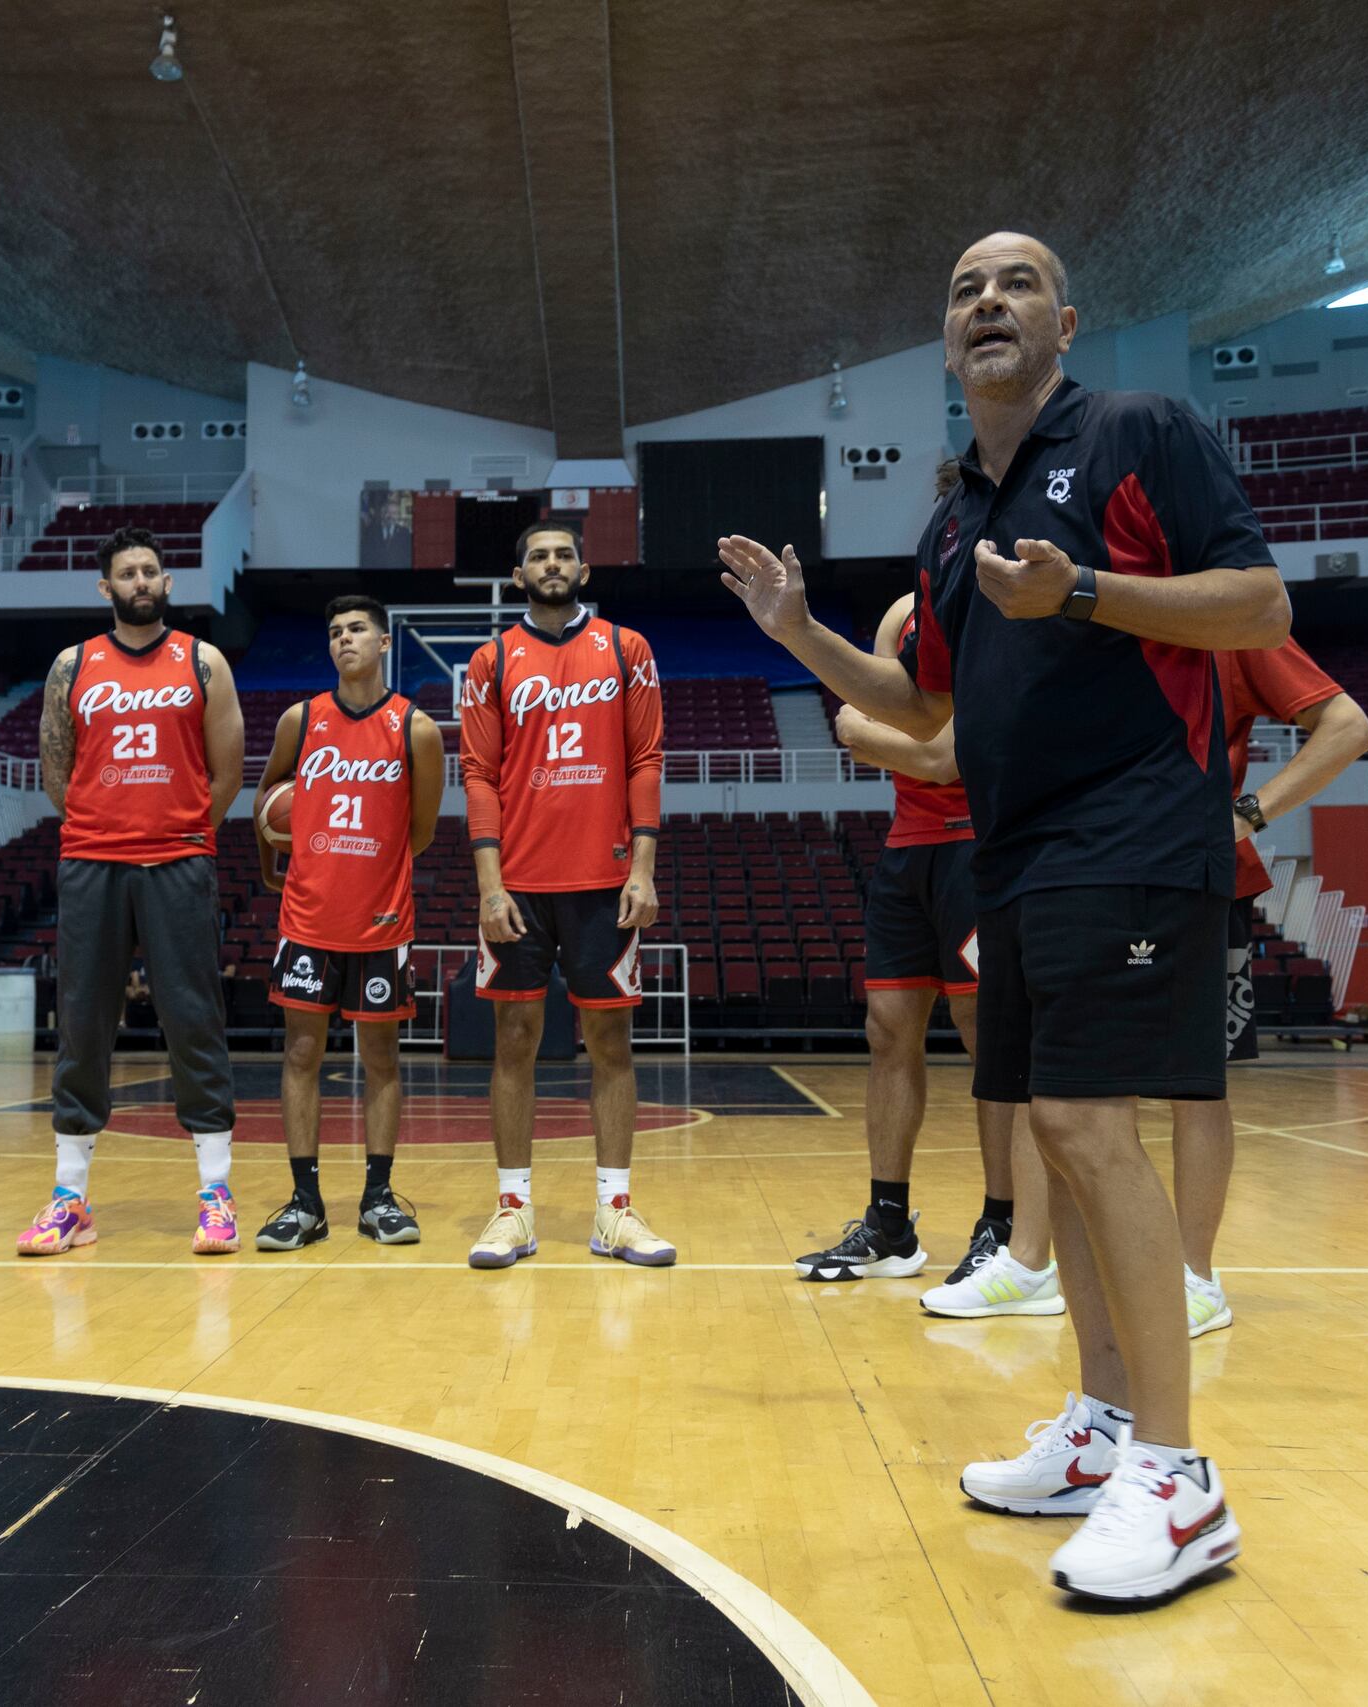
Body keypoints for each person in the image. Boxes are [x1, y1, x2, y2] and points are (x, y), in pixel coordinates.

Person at [721, 231, 1289, 1603]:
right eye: (966, 287)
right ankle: (1101, 1426)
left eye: (1016, 281)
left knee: (1096, 1129)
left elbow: (1260, 600)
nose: (988, 299)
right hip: (1017, 851)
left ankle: (1179, 1472)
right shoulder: (953, 519)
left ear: (1066, 322)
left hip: (1136, 832)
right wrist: (800, 630)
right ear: (947, 339)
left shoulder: (1142, 431)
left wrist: (1083, 588)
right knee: (1056, 1133)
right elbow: (927, 709)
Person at [807, 588, 1060, 1319]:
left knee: (992, 1038)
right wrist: (906, 744)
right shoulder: (899, 613)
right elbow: (876, 718)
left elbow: (947, 757)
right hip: (907, 847)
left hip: (981, 845)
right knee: (887, 1028)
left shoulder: (1006, 605)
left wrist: (884, 739)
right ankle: (890, 1224)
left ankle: (1004, 1225)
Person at [24, 526, 246, 1256]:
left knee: (193, 1019)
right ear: (106, 587)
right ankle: (70, 1198)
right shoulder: (72, 664)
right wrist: (101, 824)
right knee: (83, 1020)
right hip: (92, 861)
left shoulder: (203, 661)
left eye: (152, 570)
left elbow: (227, 775)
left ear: (167, 582)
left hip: (178, 862)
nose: (142, 580)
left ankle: (216, 1193)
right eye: (128, 572)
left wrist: (178, 832)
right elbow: (58, 771)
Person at [459, 520, 673, 1269]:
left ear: (584, 567)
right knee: (513, 1043)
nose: (552, 565)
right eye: (538, 557)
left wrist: (642, 869)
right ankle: (512, 1210)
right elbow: (479, 776)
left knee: (611, 1043)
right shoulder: (490, 660)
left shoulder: (627, 649)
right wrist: (490, 887)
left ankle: (614, 1211)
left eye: (563, 554)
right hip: (517, 883)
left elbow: (646, 759)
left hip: (604, 880)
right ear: (519, 575)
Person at [1171, 642, 1368, 1334]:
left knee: (1196, 1087)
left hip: (1200, 878)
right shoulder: (1080, 616)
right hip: (1095, 870)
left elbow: (1348, 726)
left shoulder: (1225, 624)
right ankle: (1061, 1263)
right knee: (1077, 1096)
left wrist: (1246, 814)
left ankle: (1194, 1276)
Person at [249, 594, 443, 1249]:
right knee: (301, 1054)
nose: (344, 639)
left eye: (357, 628)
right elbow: (267, 802)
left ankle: (378, 1197)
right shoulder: (300, 721)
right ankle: (305, 1201)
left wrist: (370, 869)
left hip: (381, 920)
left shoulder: (415, 727)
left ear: (385, 641)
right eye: (334, 631)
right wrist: (280, 868)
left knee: (380, 1059)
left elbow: (417, 833)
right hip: (307, 917)